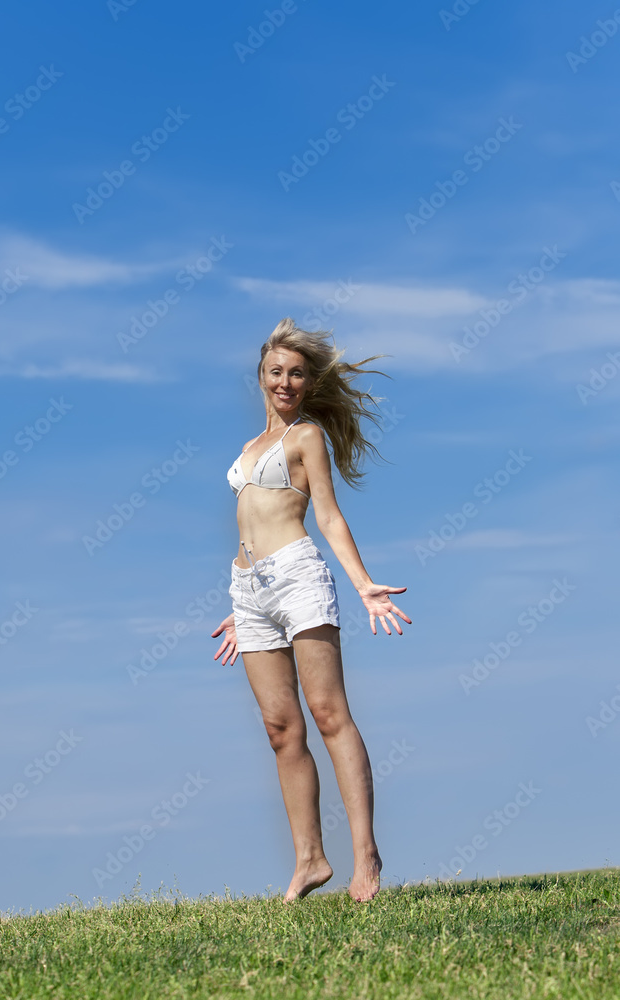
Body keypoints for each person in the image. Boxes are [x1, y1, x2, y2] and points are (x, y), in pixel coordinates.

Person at [211, 318, 411, 903]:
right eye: (276, 371)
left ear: (307, 383)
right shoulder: (247, 450)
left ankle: (365, 853)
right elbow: (250, 524)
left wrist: (363, 583)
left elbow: (326, 514)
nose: (286, 382)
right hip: (249, 591)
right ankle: (311, 859)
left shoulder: (306, 437)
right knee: (280, 729)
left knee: (328, 713)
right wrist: (241, 603)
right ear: (260, 376)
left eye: (297, 374)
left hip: (298, 577)